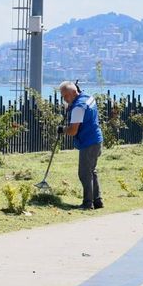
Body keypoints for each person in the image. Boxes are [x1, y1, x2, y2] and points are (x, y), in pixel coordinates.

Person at [58, 80, 104, 210]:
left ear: (73, 92)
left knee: (84, 174)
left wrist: (62, 130)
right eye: (63, 97)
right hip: (96, 139)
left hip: (88, 142)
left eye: (66, 96)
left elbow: (73, 131)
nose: (65, 99)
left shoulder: (78, 108)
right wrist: (71, 105)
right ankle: (98, 200)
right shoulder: (88, 98)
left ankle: (87, 203)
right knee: (91, 171)